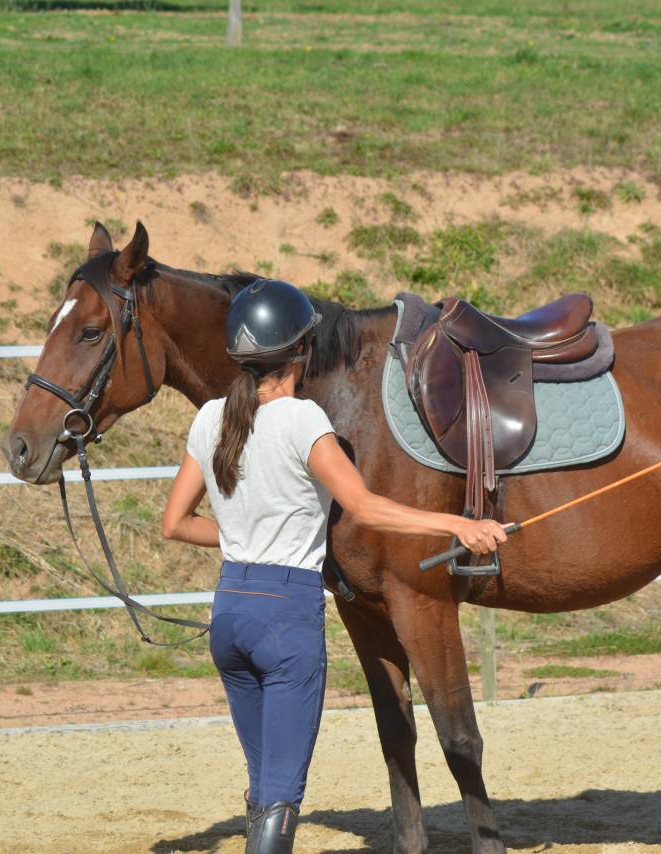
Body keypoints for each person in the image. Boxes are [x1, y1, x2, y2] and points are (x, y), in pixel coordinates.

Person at [161, 279, 508, 853]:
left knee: (262, 784)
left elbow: (175, 523)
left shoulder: (211, 419)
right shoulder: (304, 420)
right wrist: (458, 524)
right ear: (302, 350)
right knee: (281, 795)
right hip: (285, 618)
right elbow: (365, 507)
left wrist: (249, 536)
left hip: (230, 614)